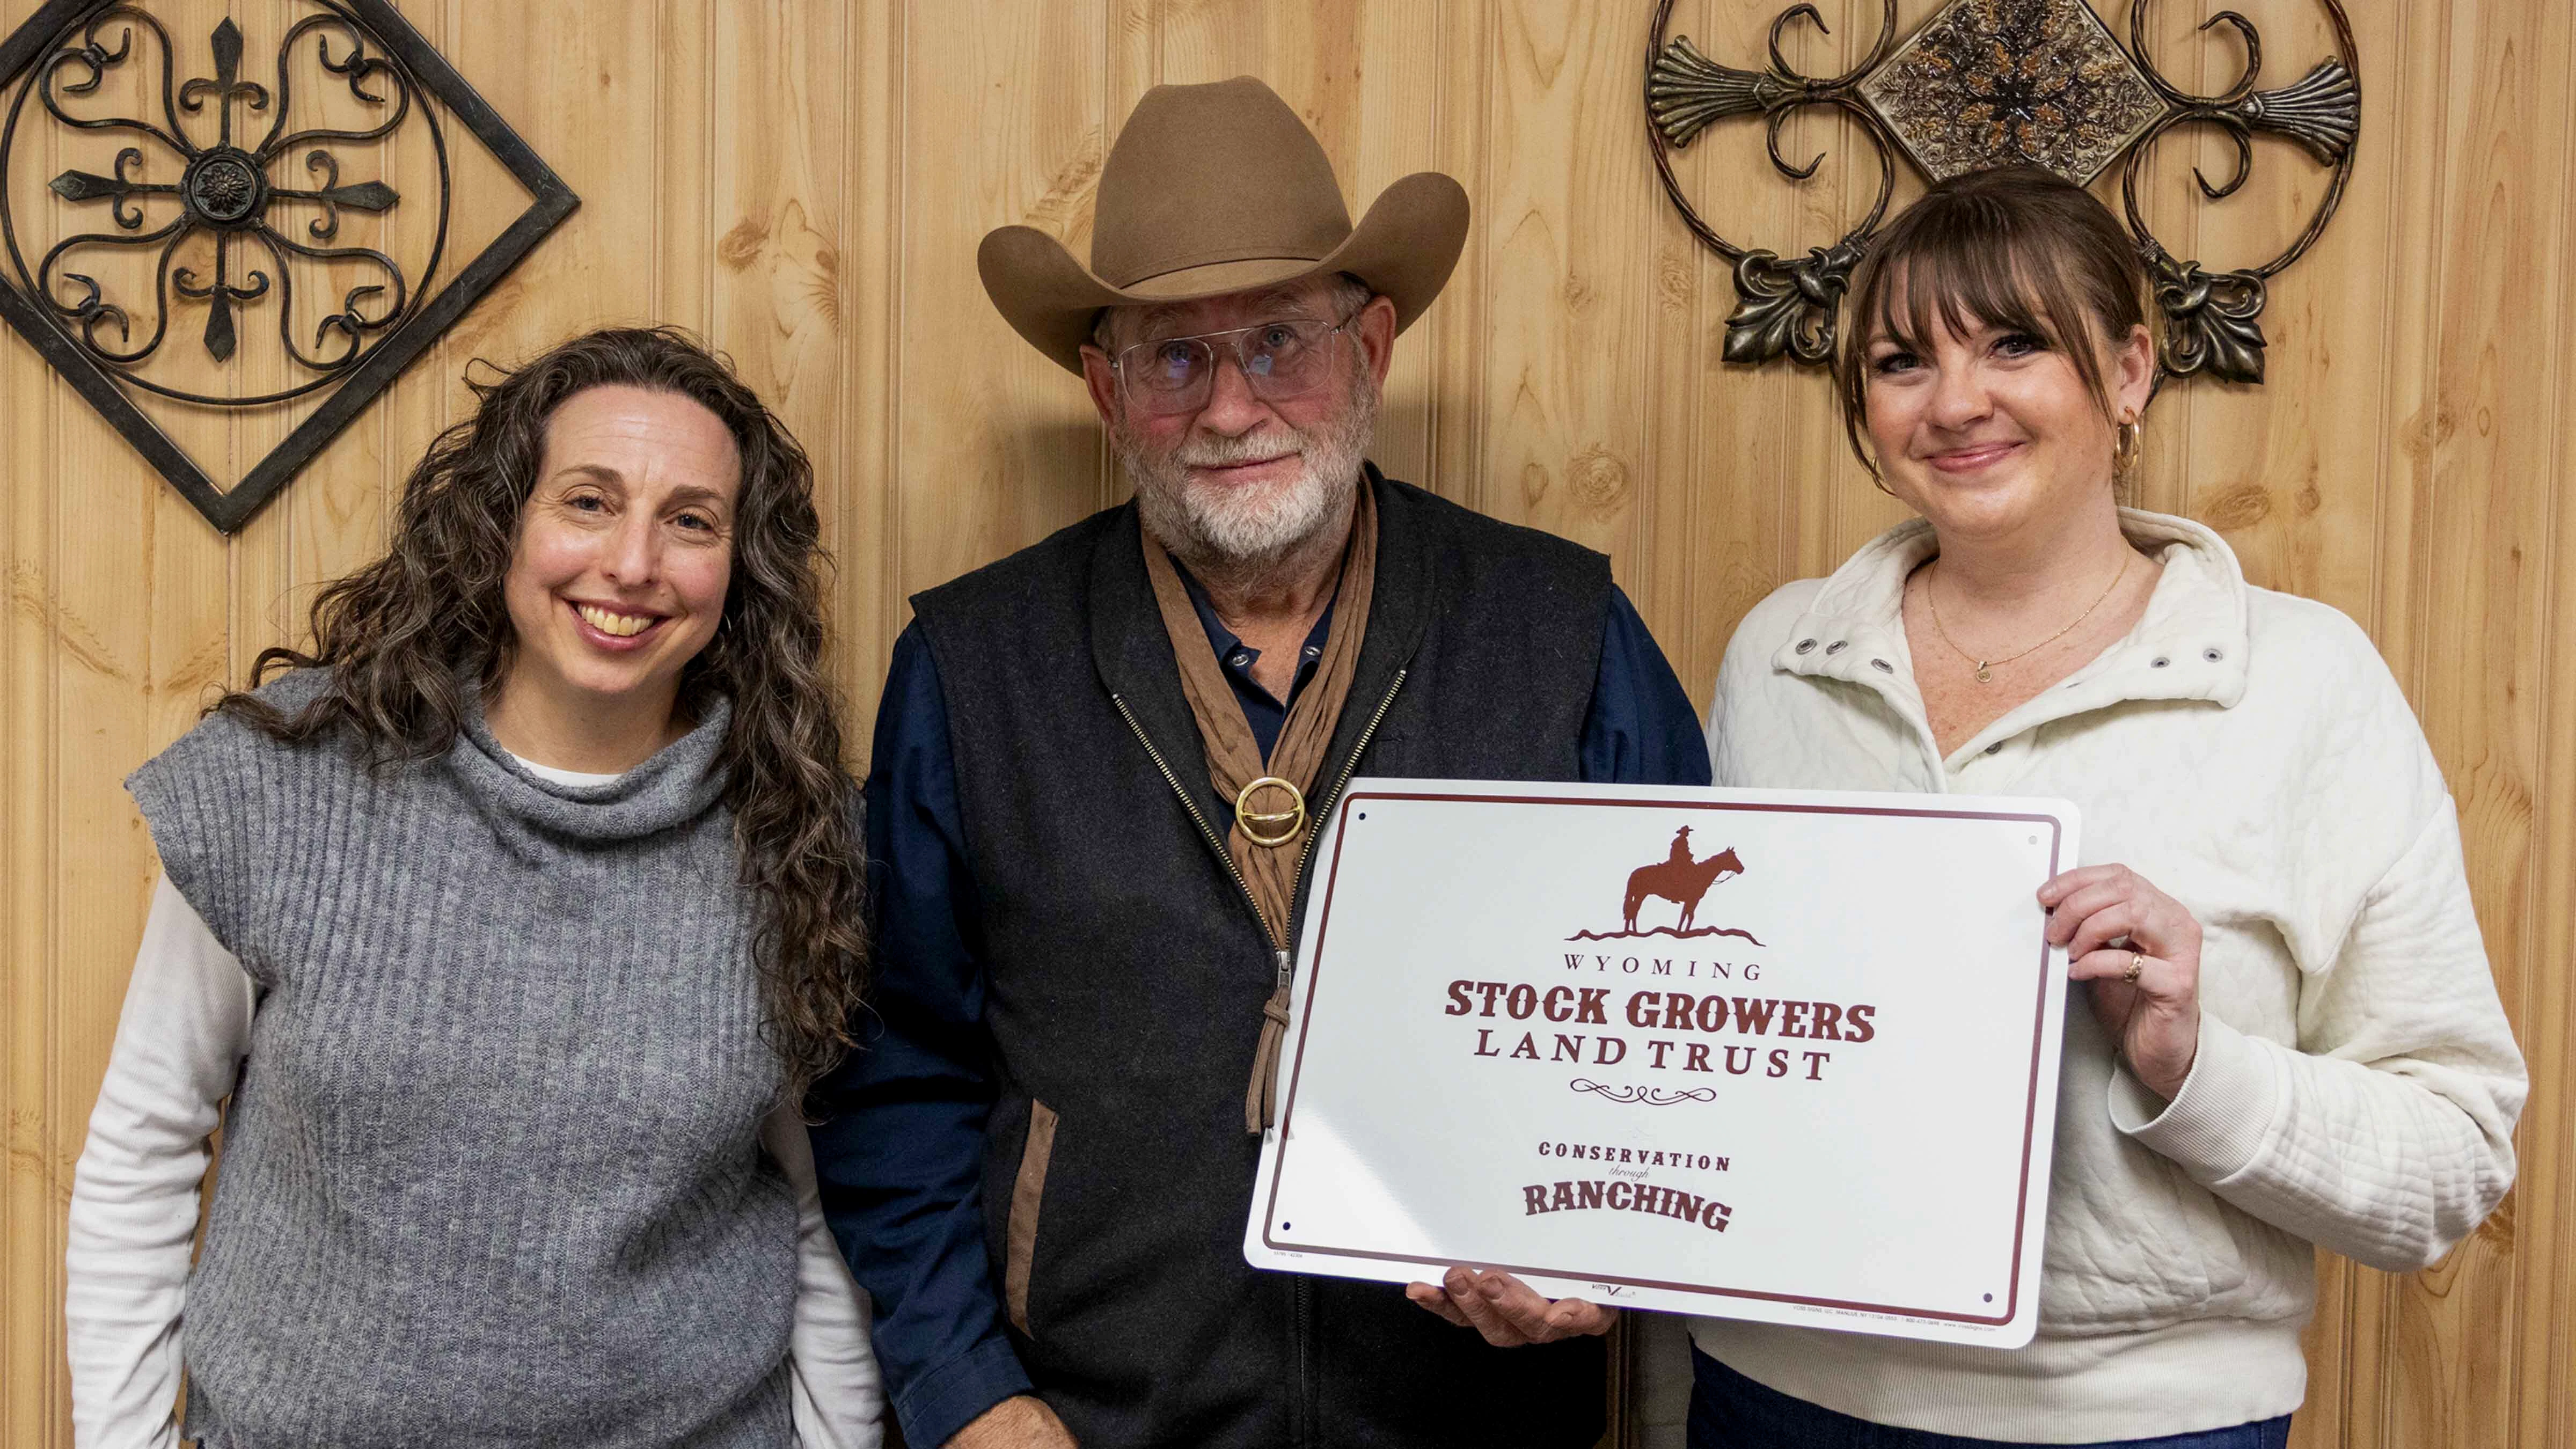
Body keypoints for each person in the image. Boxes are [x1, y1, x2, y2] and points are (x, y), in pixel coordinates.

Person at [809, 77, 1709, 1449]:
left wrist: (1600, 1260)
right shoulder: (973, 662)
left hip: (1478, 1413)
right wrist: (967, 1393)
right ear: (1107, 392)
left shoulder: (1561, 626)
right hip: (1091, 1420)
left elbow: (1686, 1024)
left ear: (1374, 350)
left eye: (1280, 340)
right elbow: (899, 1069)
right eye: (1174, 359)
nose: (1232, 407)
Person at [1688, 166, 2526, 1446]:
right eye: (1903, 360)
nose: (1955, 401)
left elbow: (2452, 1157)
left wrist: (2194, 1065)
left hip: (2148, 1428)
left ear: (2129, 373)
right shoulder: (1775, 657)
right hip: (1773, 1398)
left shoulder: (2305, 685)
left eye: (2015, 343)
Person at [67, 328, 883, 1448]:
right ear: (503, 522)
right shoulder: (288, 782)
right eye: (588, 501)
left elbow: (822, 1209)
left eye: (690, 520)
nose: (633, 563)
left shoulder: (798, 838)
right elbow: (145, 1146)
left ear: (739, 568)